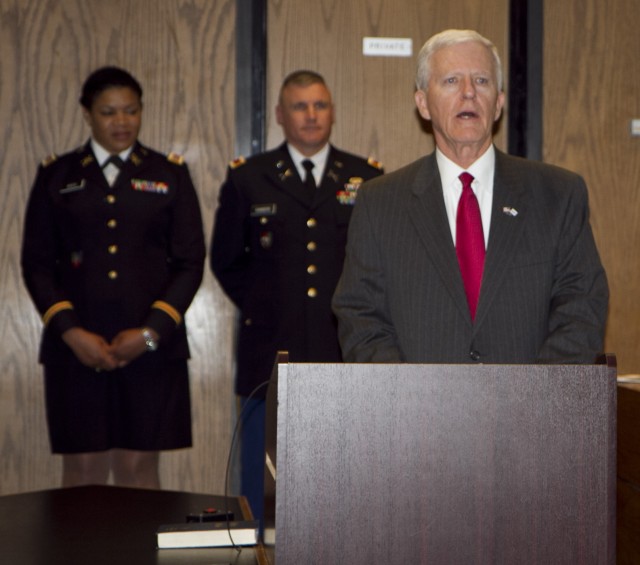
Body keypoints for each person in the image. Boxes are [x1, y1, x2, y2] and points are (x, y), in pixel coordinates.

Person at [332, 29, 608, 364]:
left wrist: (536, 401)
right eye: (451, 81)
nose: (468, 94)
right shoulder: (380, 202)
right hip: (416, 411)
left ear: (499, 104)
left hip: (533, 410)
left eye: (481, 81)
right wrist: (406, 401)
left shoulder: (558, 195)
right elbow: (360, 316)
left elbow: (581, 307)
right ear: (423, 103)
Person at [210, 70, 383, 521]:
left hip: (343, 351)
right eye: (300, 106)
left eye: (320, 105)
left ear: (333, 112)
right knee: (261, 482)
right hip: (268, 350)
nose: (311, 115)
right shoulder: (249, 179)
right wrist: (267, 306)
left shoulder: (368, 179)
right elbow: (226, 261)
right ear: (280, 116)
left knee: (346, 481)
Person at [21, 66, 205, 489]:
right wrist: (70, 333)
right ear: (87, 114)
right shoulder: (58, 175)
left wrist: (151, 333)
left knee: (138, 472)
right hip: (75, 348)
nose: (121, 122)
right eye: (108, 112)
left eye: (131, 111)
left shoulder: (168, 174)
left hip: (152, 348)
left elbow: (190, 262)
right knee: (83, 474)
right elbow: (36, 264)